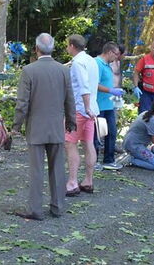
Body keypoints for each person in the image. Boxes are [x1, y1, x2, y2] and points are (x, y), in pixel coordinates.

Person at [12, 33, 76, 220]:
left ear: (36, 48)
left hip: (36, 127)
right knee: (57, 168)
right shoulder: (63, 70)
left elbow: (22, 102)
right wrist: (71, 121)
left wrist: (16, 125)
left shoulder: (29, 71)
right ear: (52, 48)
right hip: (56, 125)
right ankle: (58, 206)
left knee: (36, 169)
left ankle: (35, 209)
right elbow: (70, 99)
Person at [65, 34, 99, 196]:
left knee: (70, 143)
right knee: (88, 143)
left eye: (67, 45)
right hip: (92, 108)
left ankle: (72, 182)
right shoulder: (91, 60)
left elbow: (84, 86)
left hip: (80, 109)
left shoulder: (78, 62)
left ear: (72, 46)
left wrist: (85, 107)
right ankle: (88, 180)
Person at [95, 41, 124, 170]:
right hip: (99, 105)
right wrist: (111, 90)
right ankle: (94, 160)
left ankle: (109, 160)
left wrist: (115, 94)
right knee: (96, 134)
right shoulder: (97, 64)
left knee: (111, 132)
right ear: (110, 52)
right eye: (116, 54)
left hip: (109, 104)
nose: (117, 57)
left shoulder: (108, 65)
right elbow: (95, 84)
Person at [123, 99, 154, 170]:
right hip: (135, 146)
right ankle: (131, 160)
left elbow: (151, 134)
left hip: (129, 142)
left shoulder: (145, 113)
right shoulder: (152, 121)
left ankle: (136, 157)